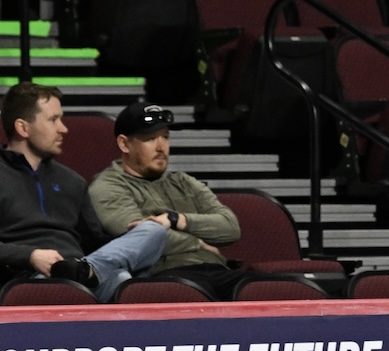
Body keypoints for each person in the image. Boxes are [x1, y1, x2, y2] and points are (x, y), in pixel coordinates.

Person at [0, 82, 166, 302]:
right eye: (53, 120)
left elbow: (93, 241)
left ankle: (86, 270)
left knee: (154, 232)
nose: (63, 128)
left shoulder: (72, 181)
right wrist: (30, 256)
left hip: (83, 272)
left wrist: (128, 237)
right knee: (118, 279)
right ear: (23, 128)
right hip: (28, 277)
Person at [88, 102, 244, 300]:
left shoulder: (183, 181)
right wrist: (197, 241)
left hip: (217, 270)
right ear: (124, 144)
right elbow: (142, 238)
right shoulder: (106, 186)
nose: (161, 147)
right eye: (150, 139)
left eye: (165, 137)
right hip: (164, 275)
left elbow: (231, 228)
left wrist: (177, 219)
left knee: (266, 290)